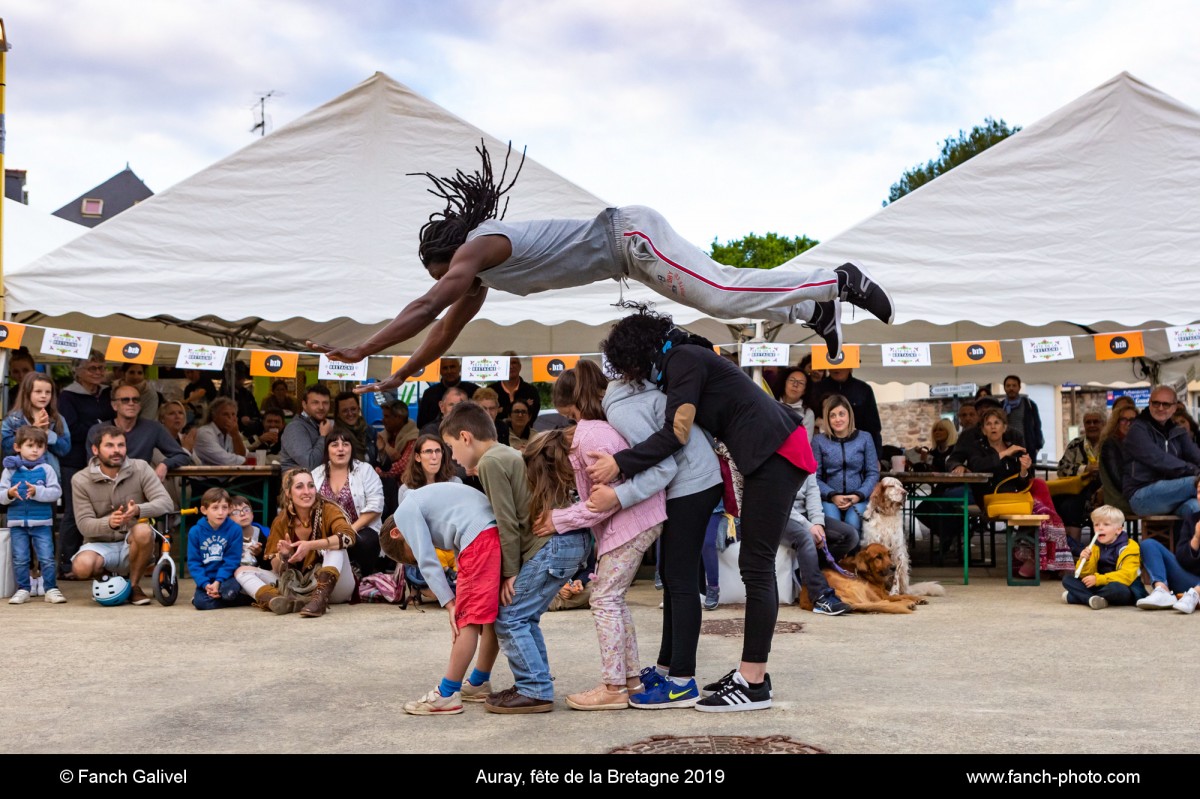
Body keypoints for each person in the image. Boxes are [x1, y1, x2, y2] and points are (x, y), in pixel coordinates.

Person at [309, 144, 895, 392]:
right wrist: (401, 371)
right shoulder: (481, 278)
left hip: (629, 237)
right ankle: (810, 306)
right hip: (631, 253)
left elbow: (428, 305)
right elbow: (443, 330)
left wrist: (365, 346)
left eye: (442, 271)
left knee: (719, 294)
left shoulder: (480, 247)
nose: (444, 281)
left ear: (451, 253)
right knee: (718, 290)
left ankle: (837, 281)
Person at [587, 303, 816, 713]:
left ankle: (753, 682)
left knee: (756, 566)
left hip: (777, 453)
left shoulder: (683, 360)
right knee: (753, 565)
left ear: (637, 353)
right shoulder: (684, 358)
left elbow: (676, 433)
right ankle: (745, 674)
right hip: (769, 453)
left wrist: (621, 463)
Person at [526, 361, 666, 711]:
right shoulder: (598, 429)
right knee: (613, 599)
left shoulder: (590, 436)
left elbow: (604, 502)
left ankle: (613, 686)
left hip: (633, 521)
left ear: (568, 406)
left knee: (603, 599)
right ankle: (629, 681)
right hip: (639, 519)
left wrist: (560, 519)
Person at [440, 400, 587, 714]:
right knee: (524, 616)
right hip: (565, 544)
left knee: (510, 618)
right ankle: (535, 683)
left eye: (451, 447)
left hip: (550, 547)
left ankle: (535, 689)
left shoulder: (492, 462)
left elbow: (506, 523)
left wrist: (509, 573)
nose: (452, 456)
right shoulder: (506, 453)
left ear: (466, 437)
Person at [382, 482, 503, 715]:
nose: (422, 549)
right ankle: (479, 682)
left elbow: (428, 561)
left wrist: (449, 603)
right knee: (488, 617)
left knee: (465, 619)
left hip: (478, 539)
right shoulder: (422, 499)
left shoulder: (405, 511)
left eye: (411, 552)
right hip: (488, 532)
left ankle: (447, 693)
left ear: (396, 533)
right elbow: (456, 531)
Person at [69, 425, 176, 605]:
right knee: (80, 567)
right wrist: (109, 523)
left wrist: (138, 510)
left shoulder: (141, 468)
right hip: (99, 544)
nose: (116, 451)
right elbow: (83, 524)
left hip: (132, 540)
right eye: (109, 446)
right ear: (95, 450)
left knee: (143, 530)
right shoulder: (80, 479)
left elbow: (166, 503)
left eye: (121, 445)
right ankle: (111, 582)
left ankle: (134, 586)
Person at [964, 407, 1074, 577]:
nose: (993, 427)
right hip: (993, 499)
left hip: (1018, 497)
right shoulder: (977, 448)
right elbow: (978, 466)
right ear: (983, 430)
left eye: (997, 423)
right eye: (989, 424)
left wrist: (1024, 470)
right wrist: (1004, 453)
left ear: (1004, 427)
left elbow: (1023, 481)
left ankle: (1038, 560)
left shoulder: (1015, 448)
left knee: (1045, 512)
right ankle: (1049, 561)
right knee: (1042, 512)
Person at [233, 468, 356, 617]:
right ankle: (278, 601)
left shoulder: (328, 509)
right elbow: (275, 567)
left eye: (311, 485)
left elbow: (349, 537)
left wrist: (310, 545)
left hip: (335, 589)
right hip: (297, 586)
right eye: (299, 487)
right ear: (288, 493)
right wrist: (284, 556)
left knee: (335, 547)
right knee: (242, 571)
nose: (307, 491)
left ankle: (319, 600)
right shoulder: (280, 521)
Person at [57, 351, 116, 572]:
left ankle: (103, 561)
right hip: (74, 461)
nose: (99, 372)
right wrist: (100, 427)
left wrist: (95, 425)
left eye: (102, 367)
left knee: (105, 509)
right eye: (93, 368)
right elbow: (71, 429)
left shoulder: (107, 393)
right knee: (75, 511)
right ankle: (66, 563)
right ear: (78, 372)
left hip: (102, 462)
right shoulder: (67, 396)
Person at [2, 426, 66, 605]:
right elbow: (1, 495)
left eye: (39, 446)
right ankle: (23, 589)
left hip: (42, 522)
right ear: (17, 447)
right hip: (17, 523)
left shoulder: (47, 469)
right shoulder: (10, 470)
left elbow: (55, 492)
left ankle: (51, 588)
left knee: (46, 556)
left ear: (45, 448)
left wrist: (37, 491)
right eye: (30, 445)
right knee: (20, 558)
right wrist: (9, 494)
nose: (35, 450)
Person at [310, 430, 387, 577]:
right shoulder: (316, 474)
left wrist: (349, 532)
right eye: (334, 445)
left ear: (351, 448)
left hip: (358, 531)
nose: (340, 449)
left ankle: (362, 576)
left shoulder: (365, 470)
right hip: (326, 533)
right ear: (327, 449)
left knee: (366, 540)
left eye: (345, 444)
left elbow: (376, 505)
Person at [1122, 385, 1200, 520]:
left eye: (1166, 404)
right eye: (1156, 403)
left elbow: (1196, 456)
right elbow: (1158, 459)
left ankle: (1184, 542)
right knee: (1196, 483)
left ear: (1175, 407)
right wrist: (1194, 471)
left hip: (1174, 494)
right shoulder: (1137, 429)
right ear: (1149, 404)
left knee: (1195, 508)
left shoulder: (1177, 430)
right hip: (1142, 495)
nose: (1160, 408)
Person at [782, 473, 854, 616]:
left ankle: (810, 573)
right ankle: (820, 597)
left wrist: (818, 522)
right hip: (779, 514)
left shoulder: (805, 453)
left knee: (849, 536)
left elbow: (813, 492)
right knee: (806, 538)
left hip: (804, 514)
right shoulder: (776, 455)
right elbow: (779, 501)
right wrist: (809, 526)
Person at [90, 382, 192, 476]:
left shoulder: (153, 428)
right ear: (114, 405)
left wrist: (165, 465)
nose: (131, 403)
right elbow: (92, 465)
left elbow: (182, 456)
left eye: (136, 400)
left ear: (140, 405)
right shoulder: (97, 430)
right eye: (125, 400)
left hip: (140, 486)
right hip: (106, 484)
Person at [812, 395, 879, 533]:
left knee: (852, 523)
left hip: (859, 497)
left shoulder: (865, 438)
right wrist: (832, 495)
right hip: (829, 498)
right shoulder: (818, 441)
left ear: (849, 415)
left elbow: (872, 472)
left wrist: (859, 494)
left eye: (841, 414)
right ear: (827, 419)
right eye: (832, 415)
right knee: (835, 527)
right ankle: (834, 556)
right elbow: (814, 476)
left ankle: (855, 555)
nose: (838, 419)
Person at [1137, 480, 1200, 613]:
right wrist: (1196, 538)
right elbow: (1182, 559)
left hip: (1195, 589)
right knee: (1148, 545)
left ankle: (1195, 594)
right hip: (1189, 580)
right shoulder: (1193, 519)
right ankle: (1162, 591)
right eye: (1199, 491)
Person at [1061, 505, 1141, 609]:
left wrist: (1098, 579)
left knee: (1116, 589)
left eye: (1106, 524)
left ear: (1119, 529)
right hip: (1099, 586)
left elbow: (1127, 576)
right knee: (1068, 579)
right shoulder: (1094, 546)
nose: (1100, 528)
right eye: (1096, 524)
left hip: (1122, 586)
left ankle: (1081, 597)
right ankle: (1093, 599)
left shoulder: (1130, 546)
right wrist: (1084, 560)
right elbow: (1083, 575)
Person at [910, 419, 962, 563]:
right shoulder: (933, 451)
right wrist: (921, 460)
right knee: (920, 510)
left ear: (949, 431)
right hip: (940, 488)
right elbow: (929, 471)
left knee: (940, 505)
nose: (937, 433)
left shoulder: (956, 450)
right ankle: (949, 535)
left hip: (954, 488)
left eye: (941, 429)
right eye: (935, 430)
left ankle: (952, 535)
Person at [2, 372, 72, 479]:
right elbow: (6, 447)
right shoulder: (13, 419)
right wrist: (33, 430)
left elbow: (65, 449)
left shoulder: (58, 419)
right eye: (38, 391)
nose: (44, 396)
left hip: (48, 479)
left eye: (48, 392)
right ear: (27, 393)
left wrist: (47, 433)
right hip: (19, 478)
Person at [186, 487, 245, 610]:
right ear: (204, 510)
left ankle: (226, 596)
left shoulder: (235, 529)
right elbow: (194, 563)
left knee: (228, 592)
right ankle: (218, 596)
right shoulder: (195, 532)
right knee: (201, 603)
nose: (220, 512)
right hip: (206, 580)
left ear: (229, 509)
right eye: (215, 508)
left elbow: (232, 560)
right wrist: (205, 584)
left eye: (224, 507)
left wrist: (218, 582)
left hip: (227, 578)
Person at [1054, 410, 1105, 545]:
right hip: (1079, 492)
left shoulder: (1110, 444)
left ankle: (1101, 550)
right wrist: (1084, 469)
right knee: (1067, 505)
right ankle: (1071, 550)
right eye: (1088, 422)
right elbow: (1061, 468)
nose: (1092, 425)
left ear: (1103, 424)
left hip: (1104, 490)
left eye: (1096, 422)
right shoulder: (1075, 444)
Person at [817, 369, 883, 455]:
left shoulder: (863, 389)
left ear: (850, 367)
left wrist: (876, 456)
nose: (836, 367)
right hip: (826, 451)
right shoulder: (817, 389)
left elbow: (874, 428)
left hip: (858, 452)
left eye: (841, 364)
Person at [279, 385, 333, 471]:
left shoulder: (326, 424)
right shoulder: (295, 427)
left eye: (325, 403)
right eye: (315, 403)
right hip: (299, 482)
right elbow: (310, 464)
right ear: (304, 404)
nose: (321, 407)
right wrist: (323, 436)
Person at [1098, 398, 1137, 514]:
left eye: (1132, 420)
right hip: (1120, 501)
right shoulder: (1110, 443)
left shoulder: (1136, 443)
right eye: (1123, 420)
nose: (1128, 423)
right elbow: (1119, 481)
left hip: (1133, 496)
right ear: (1116, 422)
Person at [416, 358, 478, 428]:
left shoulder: (474, 391)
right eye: (445, 368)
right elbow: (421, 423)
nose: (449, 371)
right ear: (439, 370)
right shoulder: (430, 394)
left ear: (460, 368)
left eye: (452, 367)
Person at [1000, 375, 1044, 462]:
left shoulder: (1029, 405)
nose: (1011, 388)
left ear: (1019, 387)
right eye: (1008, 386)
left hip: (1026, 448)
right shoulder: (1000, 406)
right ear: (1004, 388)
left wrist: (1037, 445)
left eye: (1014, 385)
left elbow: (1037, 426)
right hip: (1006, 448)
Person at [489, 351, 541, 424]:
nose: (511, 366)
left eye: (514, 363)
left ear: (520, 367)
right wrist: (523, 406)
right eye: (507, 363)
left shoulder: (531, 391)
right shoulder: (491, 391)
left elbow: (532, 417)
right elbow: (487, 416)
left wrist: (502, 410)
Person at [375, 400, 419, 471]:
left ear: (398, 418)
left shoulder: (412, 437)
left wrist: (380, 472)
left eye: (386, 416)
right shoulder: (384, 435)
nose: (383, 420)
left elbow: (404, 465)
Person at [333, 391, 374, 463]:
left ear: (358, 409)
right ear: (338, 414)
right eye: (345, 411)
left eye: (353, 409)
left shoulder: (370, 431)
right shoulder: (334, 436)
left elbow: (385, 466)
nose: (350, 414)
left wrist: (382, 452)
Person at [230, 494, 270, 570]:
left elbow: (269, 566)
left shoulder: (264, 535)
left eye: (246, 509)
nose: (242, 514)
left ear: (252, 514)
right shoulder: (226, 538)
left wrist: (260, 554)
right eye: (236, 512)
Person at [775, 366, 815, 437]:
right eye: (792, 380)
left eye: (801, 383)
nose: (795, 385)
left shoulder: (807, 413)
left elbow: (805, 442)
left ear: (805, 391)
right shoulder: (773, 404)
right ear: (784, 383)